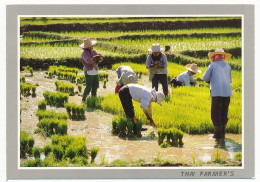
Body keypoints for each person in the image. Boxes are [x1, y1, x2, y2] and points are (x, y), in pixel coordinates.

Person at [203, 48, 232, 139]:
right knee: (224, 113)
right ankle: (222, 134)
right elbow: (230, 80)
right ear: (223, 56)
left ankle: (217, 134)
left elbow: (205, 78)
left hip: (217, 93)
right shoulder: (228, 66)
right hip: (227, 93)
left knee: (215, 113)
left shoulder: (212, 65)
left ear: (214, 56)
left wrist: (212, 79)